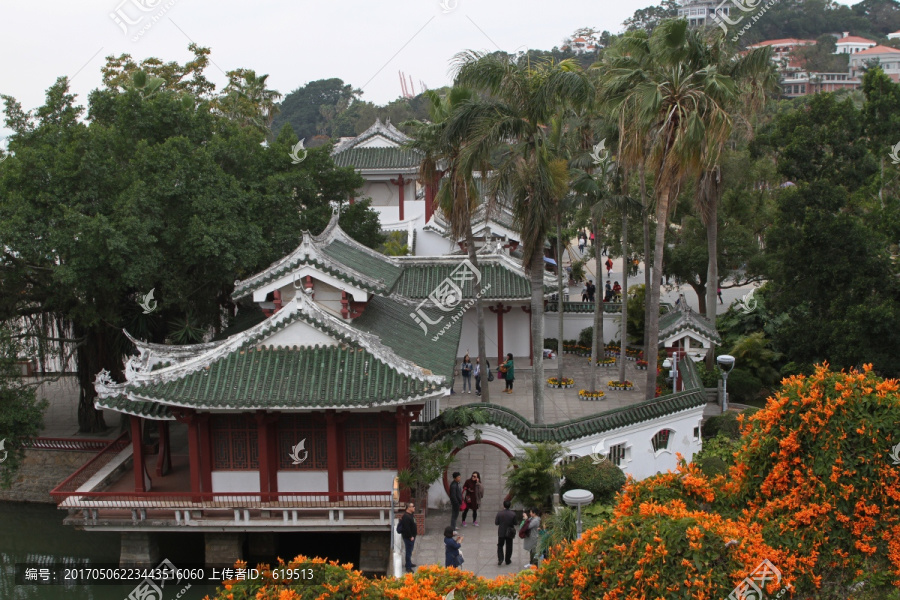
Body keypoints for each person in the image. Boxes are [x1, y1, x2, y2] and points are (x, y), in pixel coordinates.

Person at [495, 500, 517, 566]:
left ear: (503, 505)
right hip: (509, 532)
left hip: (501, 532)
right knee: (509, 546)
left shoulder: (499, 513)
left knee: (500, 545)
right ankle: (507, 560)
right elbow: (515, 523)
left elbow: (496, 523)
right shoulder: (513, 514)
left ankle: (500, 558)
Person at [399, 502, 417, 573]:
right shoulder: (406, 517)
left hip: (413, 536)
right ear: (408, 508)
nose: (414, 507)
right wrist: (410, 536)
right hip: (409, 537)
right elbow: (407, 528)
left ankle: (409, 563)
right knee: (408, 551)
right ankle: (408, 567)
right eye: (412, 506)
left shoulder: (411, 515)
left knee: (410, 550)